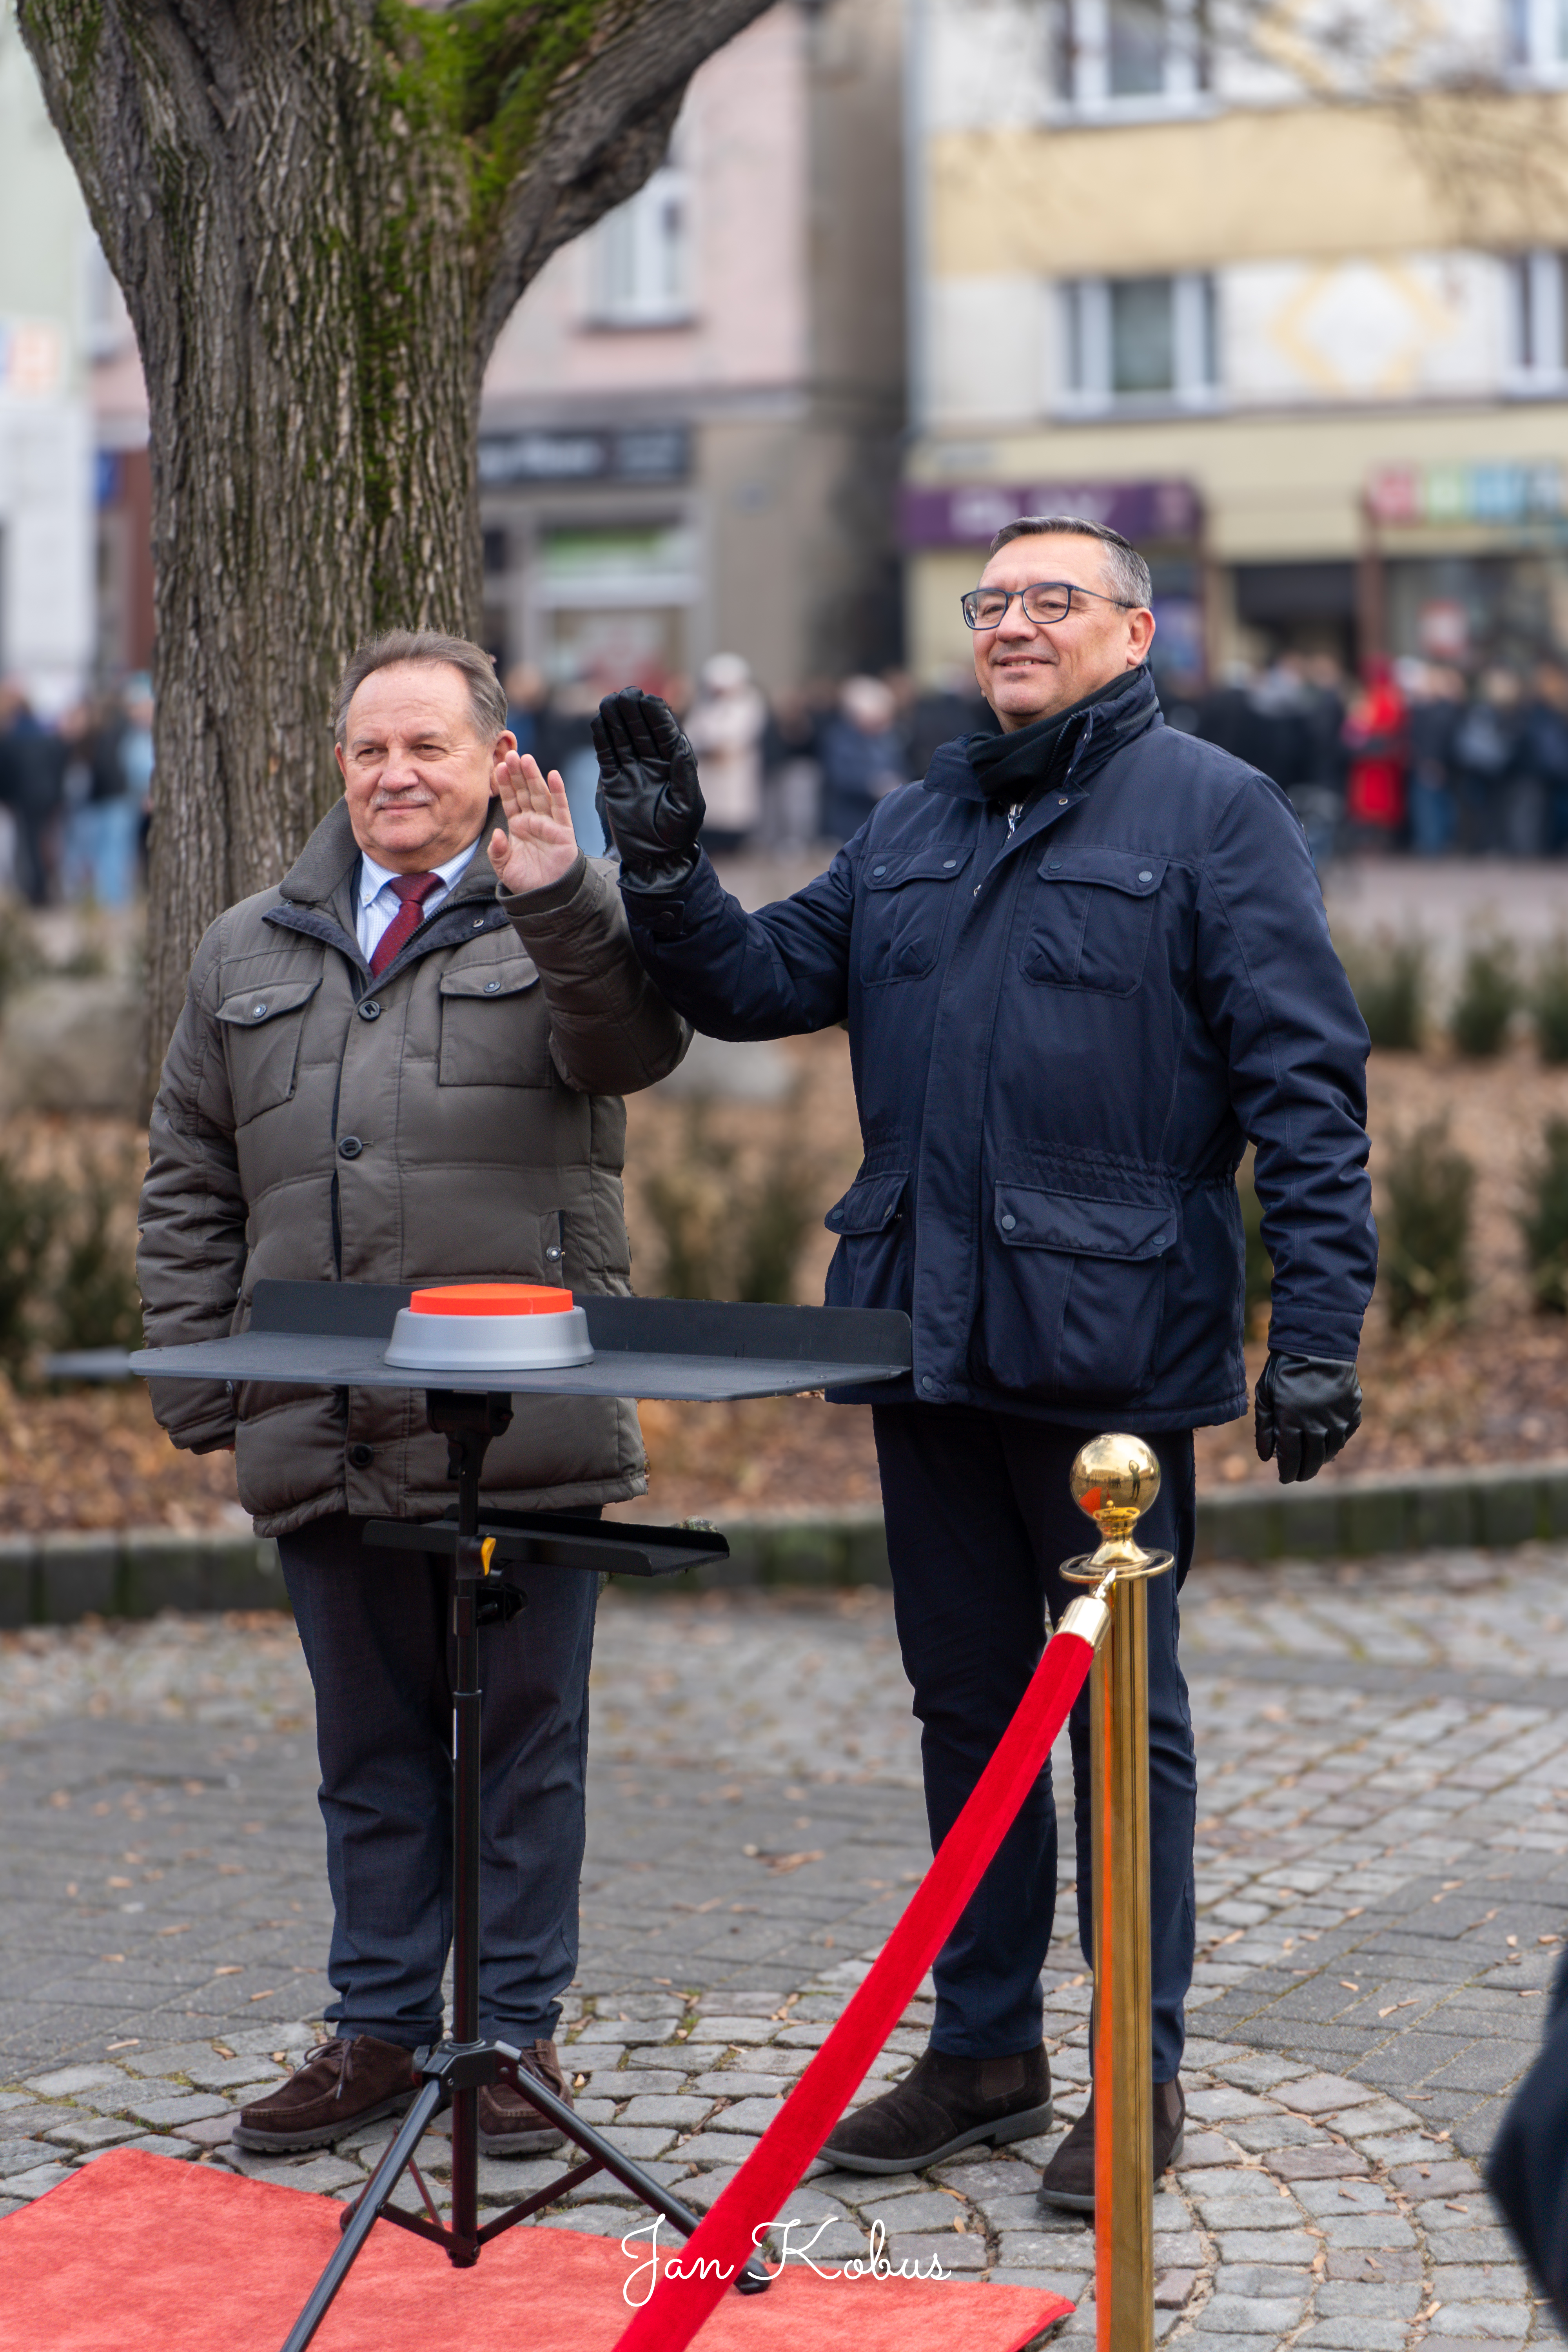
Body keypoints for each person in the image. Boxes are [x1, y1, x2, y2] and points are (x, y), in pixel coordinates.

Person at [592, 515, 1375, 2212]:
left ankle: (1129, 2076)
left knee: (1114, 1729)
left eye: (1050, 599)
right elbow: (751, 982)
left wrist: (1315, 1328)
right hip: (922, 1341)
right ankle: (983, 2048)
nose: (1011, 623)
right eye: (990, 599)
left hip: (1111, 1359)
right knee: (965, 1715)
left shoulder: (1215, 813)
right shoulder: (914, 819)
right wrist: (662, 871)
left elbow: (1304, 1088)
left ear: (1135, 627)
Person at [136, 628, 687, 2157]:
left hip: (521, 1421)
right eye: (370, 747)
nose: (394, 772)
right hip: (320, 1415)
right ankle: (378, 2028)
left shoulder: (554, 920)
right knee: (369, 1750)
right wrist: (207, 1375)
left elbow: (632, 1048)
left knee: (520, 1748)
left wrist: (563, 899)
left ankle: (511, 2040)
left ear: (493, 761)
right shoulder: (250, 944)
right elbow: (190, 1168)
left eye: (427, 747)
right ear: (340, 767)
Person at [684, 652, 768, 855]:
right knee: (710, 819)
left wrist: (721, 747)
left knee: (735, 820)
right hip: (708, 771)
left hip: (735, 773)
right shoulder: (703, 704)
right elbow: (692, 734)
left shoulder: (750, 703)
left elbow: (740, 735)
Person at [817, 674, 907, 842]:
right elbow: (840, 776)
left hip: (882, 818)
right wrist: (873, 785)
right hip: (850, 820)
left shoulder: (889, 736)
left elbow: (901, 766)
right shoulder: (839, 738)